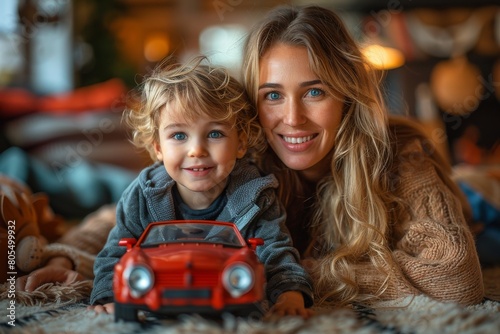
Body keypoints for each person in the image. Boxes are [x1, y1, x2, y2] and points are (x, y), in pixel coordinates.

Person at [241, 5, 484, 307]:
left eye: (314, 92)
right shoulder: (244, 168)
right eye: (273, 95)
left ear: (347, 94)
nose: (292, 118)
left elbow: (457, 278)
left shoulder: (400, 155)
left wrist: (305, 275)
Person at [88, 56, 313, 317]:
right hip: (161, 290)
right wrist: (107, 295)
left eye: (215, 134)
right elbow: (115, 254)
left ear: (241, 143)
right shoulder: (142, 195)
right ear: (158, 147)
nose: (196, 150)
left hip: (228, 294)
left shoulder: (256, 195)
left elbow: (276, 252)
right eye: (179, 135)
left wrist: (290, 294)